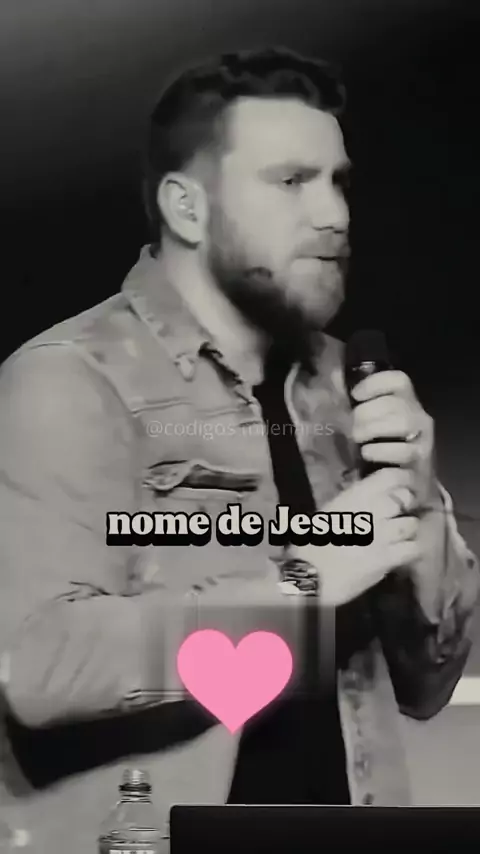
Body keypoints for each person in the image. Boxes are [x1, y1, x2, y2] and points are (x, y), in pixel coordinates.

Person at [0, 46, 478, 852]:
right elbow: (40, 667)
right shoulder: (70, 381)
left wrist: (421, 507)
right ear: (186, 209)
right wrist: (307, 579)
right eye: (292, 182)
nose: (334, 215)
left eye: (338, 182)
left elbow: (427, 684)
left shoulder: (346, 389)